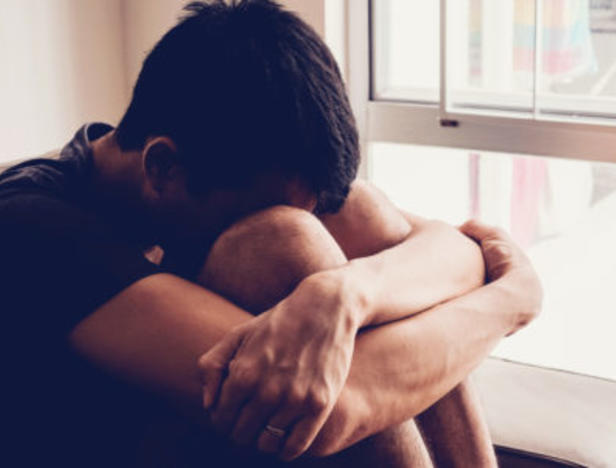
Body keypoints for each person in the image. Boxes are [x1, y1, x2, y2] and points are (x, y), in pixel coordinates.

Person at [0, 1, 541, 466]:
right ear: (162, 167)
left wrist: (347, 294)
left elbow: (452, 251)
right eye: (253, 209)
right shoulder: (31, 228)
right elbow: (332, 409)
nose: (296, 219)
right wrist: (510, 302)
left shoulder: (179, 163)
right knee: (283, 243)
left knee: (360, 210)